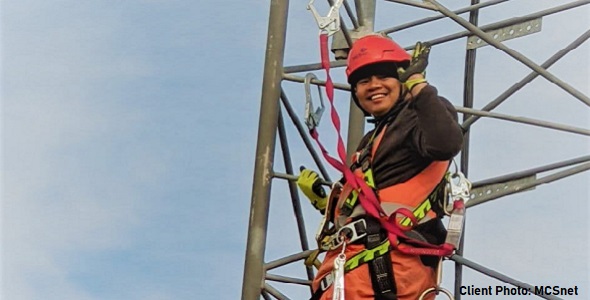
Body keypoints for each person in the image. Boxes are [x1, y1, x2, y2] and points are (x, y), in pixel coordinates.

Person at [297, 34, 464, 300]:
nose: (374, 85)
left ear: (402, 81)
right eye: (364, 81)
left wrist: (418, 85)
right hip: (352, 275)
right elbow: (371, 202)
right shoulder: (370, 144)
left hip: (384, 272)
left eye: (384, 77)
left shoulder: (417, 115)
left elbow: (446, 143)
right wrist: (326, 204)